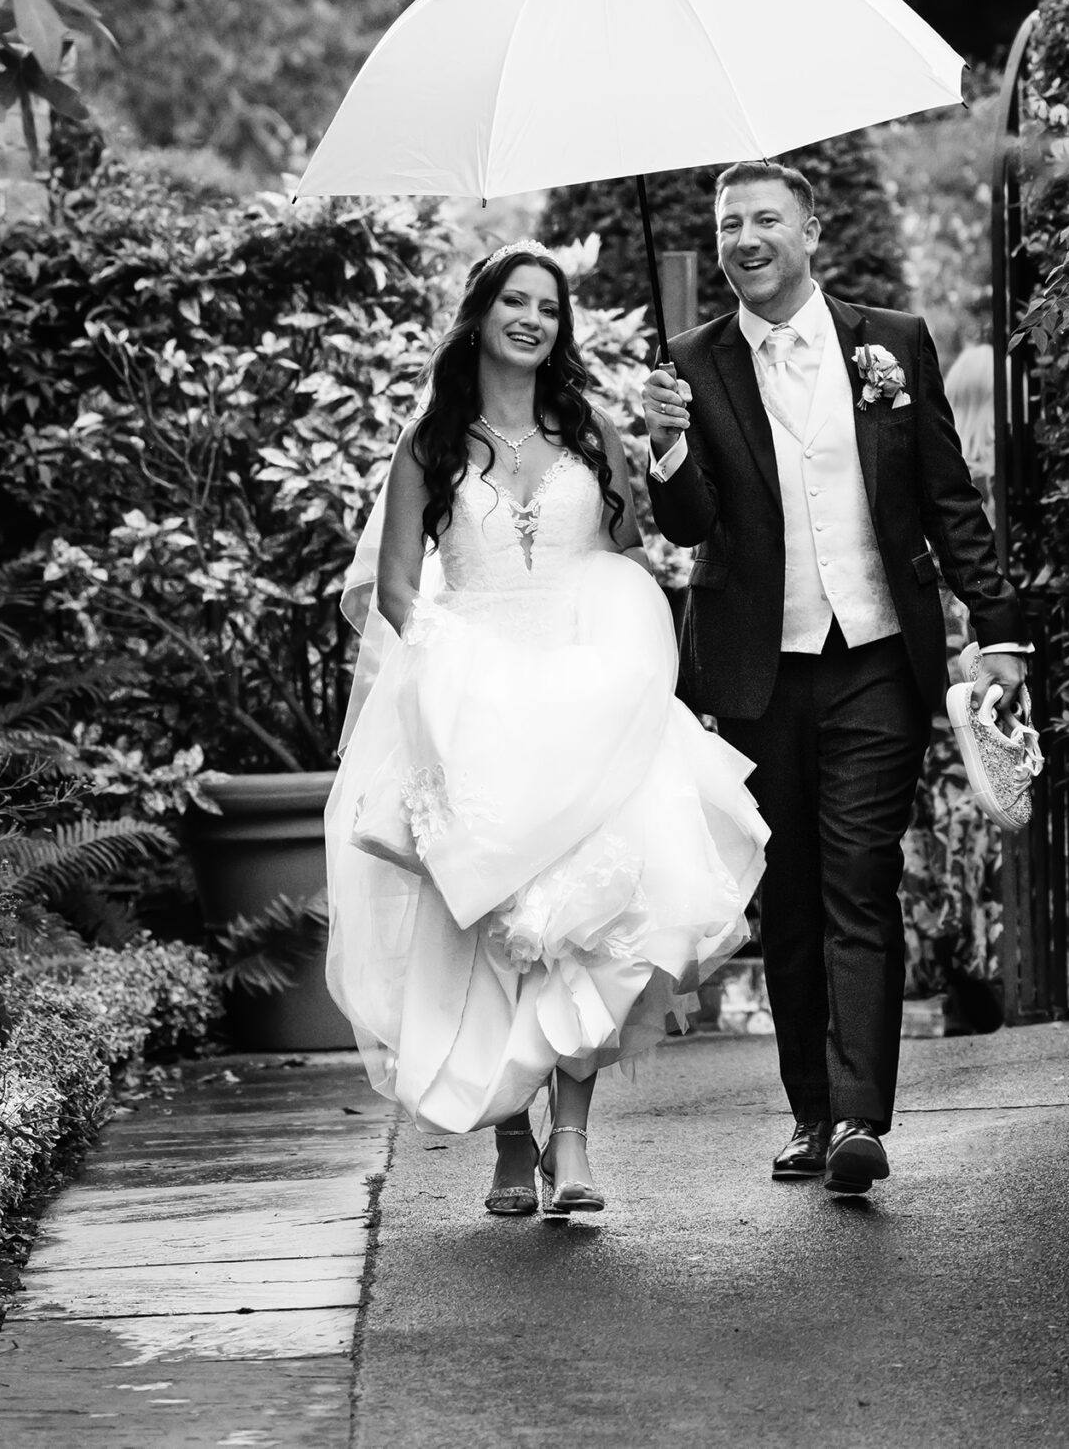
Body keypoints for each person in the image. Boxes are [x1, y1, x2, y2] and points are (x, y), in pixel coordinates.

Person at [327, 239, 768, 1217]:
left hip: (582, 706)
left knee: (586, 925)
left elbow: (624, 553)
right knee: (486, 931)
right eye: (514, 301)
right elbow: (397, 586)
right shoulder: (430, 445)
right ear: (480, 314)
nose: (532, 318)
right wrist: (452, 675)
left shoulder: (587, 431)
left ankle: (571, 1144)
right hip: (471, 703)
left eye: (547, 306)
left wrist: (662, 443)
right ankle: (510, 1147)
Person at [641, 161, 1027, 1197]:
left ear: (812, 231)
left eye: (766, 218)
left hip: (874, 662)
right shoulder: (690, 361)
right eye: (729, 224)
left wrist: (998, 633)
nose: (745, 238)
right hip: (758, 676)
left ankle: (860, 1116)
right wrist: (667, 448)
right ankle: (810, 1113)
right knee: (793, 901)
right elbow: (687, 527)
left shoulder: (890, 342)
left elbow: (948, 497)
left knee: (858, 876)